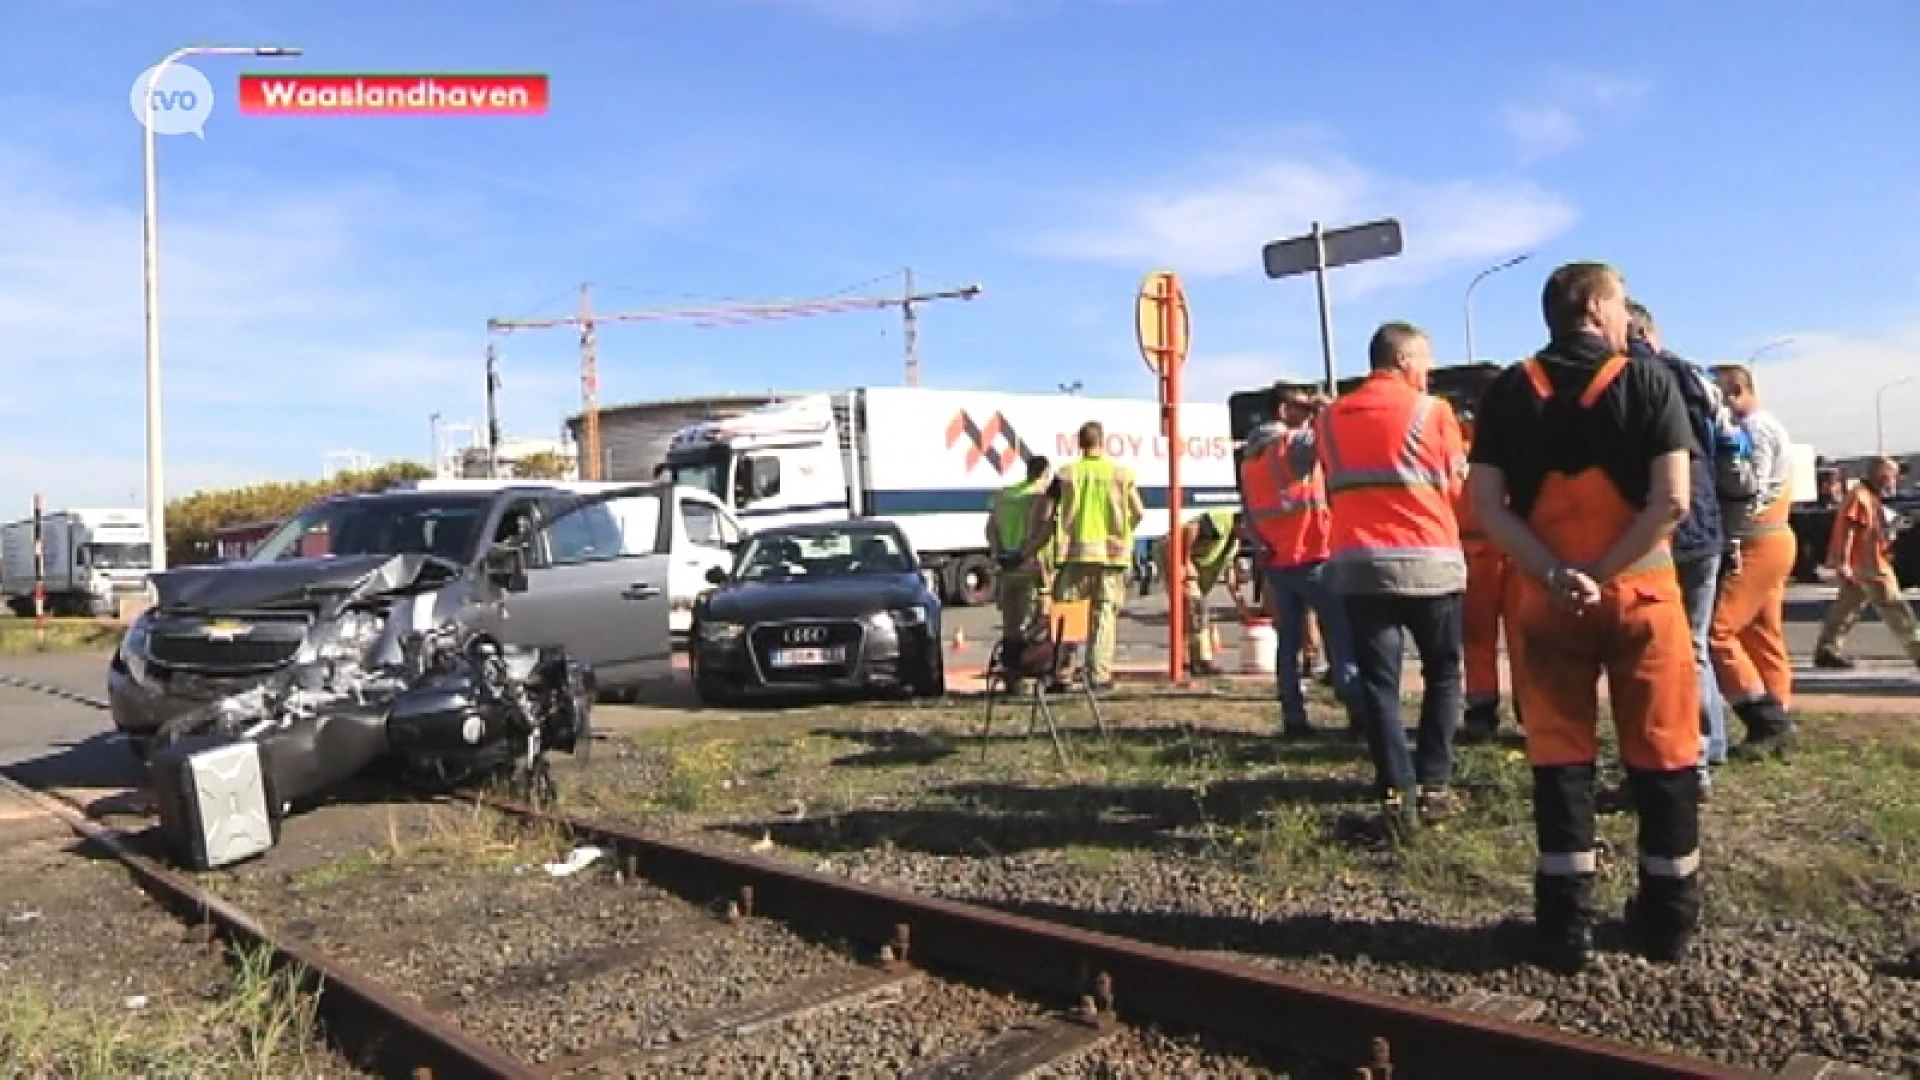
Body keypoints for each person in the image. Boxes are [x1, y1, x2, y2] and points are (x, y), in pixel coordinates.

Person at [1469, 260, 1702, 972]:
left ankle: (1565, 930)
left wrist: (1557, 576)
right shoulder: (1647, 380)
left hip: (1547, 602)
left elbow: (1484, 507)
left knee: (1561, 756)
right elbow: (1673, 502)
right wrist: (1602, 576)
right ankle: (1668, 924)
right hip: (1642, 596)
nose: (1628, 316)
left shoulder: (1508, 390)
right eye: (1622, 303)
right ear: (1598, 308)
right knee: (1664, 756)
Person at [1305, 322, 1467, 829]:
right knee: (1443, 671)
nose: (1430, 372)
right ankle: (1435, 785)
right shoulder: (1433, 412)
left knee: (1380, 683)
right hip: (1429, 563)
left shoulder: (1330, 420)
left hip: (1359, 566)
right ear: (1403, 360)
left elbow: (1332, 482)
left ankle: (1396, 793)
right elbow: (1456, 487)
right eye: (1425, 361)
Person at [1625, 301, 1734, 784]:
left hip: (1662, 528)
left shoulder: (1629, 377)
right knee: (1697, 645)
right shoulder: (1693, 376)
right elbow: (1727, 448)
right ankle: (1712, 746)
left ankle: (1687, 759)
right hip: (1707, 522)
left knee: (1665, 652)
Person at [1243, 383, 1358, 735]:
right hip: (1313, 554)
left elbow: (1249, 510)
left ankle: (1294, 717)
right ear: (1281, 411)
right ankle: (1359, 711)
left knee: (1288, 644)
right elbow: (1340, 437)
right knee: (1342, 636)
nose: (1307, 412)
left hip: (1278, 560)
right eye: (1300, 406)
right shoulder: (1289, 445)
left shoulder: (1250, 457)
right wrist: (1328, 408)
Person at [1706, 364, 1798, 759]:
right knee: (1762, 632)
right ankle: (1780, 713)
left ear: (1739, 389)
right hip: (1773, 537)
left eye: (1720, 394)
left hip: (1758, 538)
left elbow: (1749, 487)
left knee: (1718, 632)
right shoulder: (1770, 426)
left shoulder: (1755, 429)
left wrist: (1731, 537)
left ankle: (1764, 717)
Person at [1025, 421, 1145, 691]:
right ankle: (1099, 674)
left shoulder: (1066, 475)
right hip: (1111, 557)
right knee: (1103, 614)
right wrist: (1122, 532)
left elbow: (1045, 514)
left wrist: (1034, 544)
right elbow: (1138, 512)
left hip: (1073, 555)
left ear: (1079, 443)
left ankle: (1062, 673)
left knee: (1068, 614)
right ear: (1103, 442)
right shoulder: (1122, 475)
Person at [1814, 456, 1920, 669]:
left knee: (1846, 608)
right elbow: (1850, 531)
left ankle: (1827, 649)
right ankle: (1917, 649)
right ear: (1881, 475)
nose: (1895, 481)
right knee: (1895, 607)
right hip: (1870, 565)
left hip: (1861, 564)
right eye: (1893, 476)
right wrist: (1843, 562)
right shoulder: (1860, 497)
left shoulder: (1866, 495)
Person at [1458, 403, 1519, 742]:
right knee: (1488, 637)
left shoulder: (1462, 445)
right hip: (1496, 548)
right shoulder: (1518, 436)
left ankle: (1486, 707)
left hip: (1498, 549)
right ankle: (1485, 706)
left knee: (1488, 638)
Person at [985, 454, 1053, 692]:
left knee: (1009, 624)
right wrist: (1025, 553)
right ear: (1044, 473)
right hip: (1028, 566)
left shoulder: (1003, 495)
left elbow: (991, 529)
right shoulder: (1039, 499)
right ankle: (1025, 675)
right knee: (1029, 623)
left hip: (1006, 568)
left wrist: (999, 554)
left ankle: (1010, 675)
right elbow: (1043, 532)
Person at [1153, 508, 1244, 675]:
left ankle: (1186, 659)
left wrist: (1241, 605)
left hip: (1185, 562)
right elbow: (1190, 528)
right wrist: (1184, 561)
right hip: (1172, 551)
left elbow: (1229, 574)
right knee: (1196, 609)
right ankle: (1201, 661)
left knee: (1189, 610)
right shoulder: (1222, 520)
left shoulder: (1234, 543)